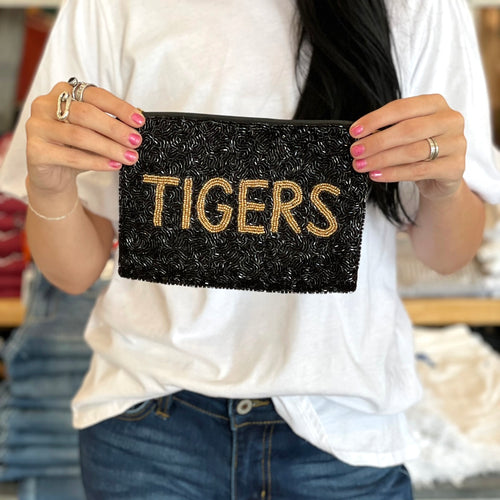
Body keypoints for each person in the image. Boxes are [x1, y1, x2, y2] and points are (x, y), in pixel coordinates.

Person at [2, 0, 500, 498]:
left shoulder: (418, 7)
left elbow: (446, 254)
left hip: (340, 427)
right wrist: (50, 188)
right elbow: (73, 272)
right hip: (151, 419)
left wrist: (444, 189)